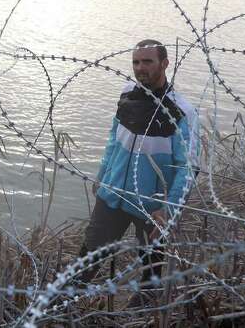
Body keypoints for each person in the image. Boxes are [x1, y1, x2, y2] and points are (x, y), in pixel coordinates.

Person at [75, 40, 198, 301]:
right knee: (88, 257)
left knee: (150, 271)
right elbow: (113, 139)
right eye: (136, 62)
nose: (140, 68)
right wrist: (102, 176)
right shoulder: (127, 94)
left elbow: (187, 169)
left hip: (152, 208)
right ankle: (61, 307)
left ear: (165, 63)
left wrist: (168, 209)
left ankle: (143, 316)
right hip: (112, 195)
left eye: (147, 62)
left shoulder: (181, 112)